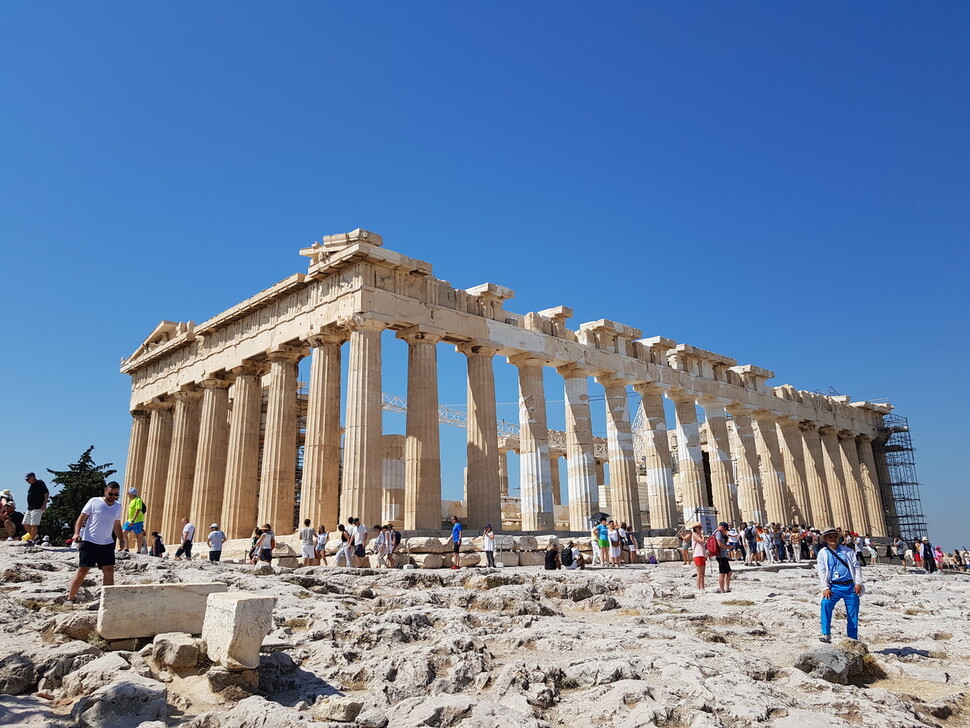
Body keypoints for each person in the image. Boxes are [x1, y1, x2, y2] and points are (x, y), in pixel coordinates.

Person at [67, 481, 125, 603]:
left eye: (116, 495)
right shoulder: (94, 501)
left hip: (107, 543)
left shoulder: (118, 506)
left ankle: (108, 600)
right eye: (110, 494)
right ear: (105, 491)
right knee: (83, 571)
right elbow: (81, 518)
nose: (113, 497)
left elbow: (116, 524)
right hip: (90, 541)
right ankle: (70, 598)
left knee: (109, 571)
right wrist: (76, 533)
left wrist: (121, 539)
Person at [816, 525, 863, 643]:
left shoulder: (848, 551)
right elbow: (821, 571)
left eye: (834, 536)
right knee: (825, 604)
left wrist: (858, 583)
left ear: (838, 537)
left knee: (852, 613)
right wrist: (825, 587)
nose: (832, 539)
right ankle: (826, 633)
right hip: (834, 586)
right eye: (829, 537)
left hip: (850, 586)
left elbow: (857, 567)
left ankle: (852, 639)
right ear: (826, 539)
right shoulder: (822, 553)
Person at [23, 472, 49, 545]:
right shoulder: (31, 485)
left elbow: (46, 493)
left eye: (28, 479)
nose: (27, 481)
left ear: (33, 477)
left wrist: (44, 504)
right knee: (25, 523)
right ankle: (34, 536)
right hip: (30, 507)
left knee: (34, 524)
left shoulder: (40, 483)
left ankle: (32, 540)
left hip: (38, 507)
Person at [121, 487, 146, 553]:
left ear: (132, 494)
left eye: (129, 493)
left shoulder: (138, 500)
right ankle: (126, 548)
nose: (128, 495)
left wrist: (133, 520)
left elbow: (138, 510)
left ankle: (139, 550)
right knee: (124, 532)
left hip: (137, 521)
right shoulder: (131, 501)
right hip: (129, 520)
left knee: (138, 535)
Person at [714, 522, 732, 594]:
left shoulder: (719, 533)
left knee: (729, 572)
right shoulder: (718, 533)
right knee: (722, 573)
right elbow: (720, 544)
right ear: (723, 527)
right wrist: (728, 547)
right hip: (721, 556)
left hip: (723, 555)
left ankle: (727, 588)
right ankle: (722, 590)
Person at [688, 522, 706, 591]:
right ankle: (698, 587)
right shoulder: (694, 535)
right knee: (699, 573)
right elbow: (702, 541)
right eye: (699, 527)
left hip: (702, 554)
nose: (700, 529)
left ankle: (702, 587)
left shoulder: (698, 535)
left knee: (703, 573)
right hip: (698, 555)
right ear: (695, 528)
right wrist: (703, 535)